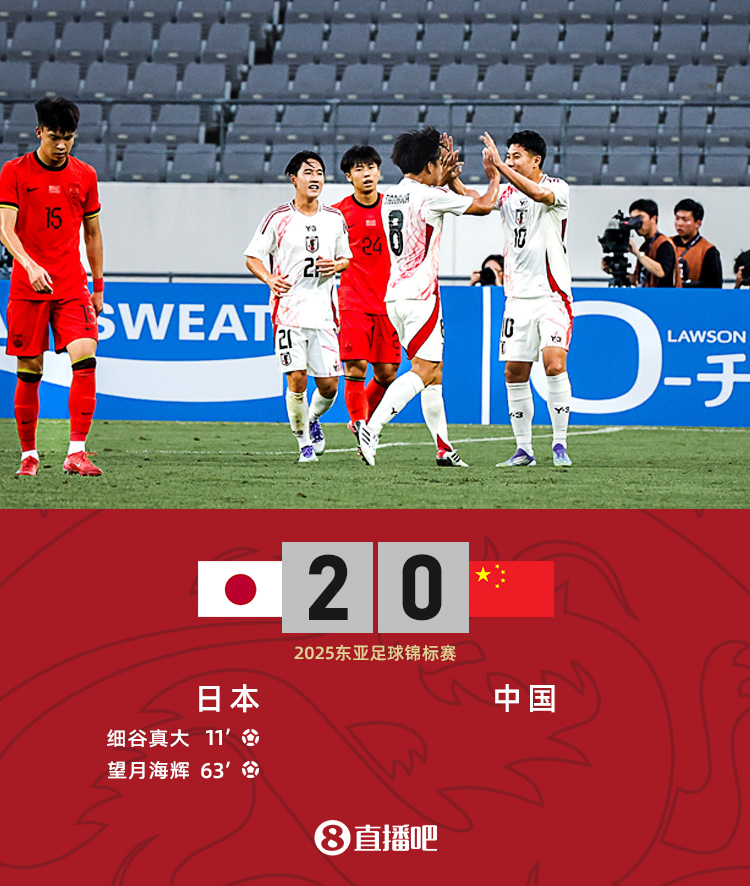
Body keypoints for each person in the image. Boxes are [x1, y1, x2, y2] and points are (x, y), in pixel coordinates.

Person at [357, 126, 501, 467]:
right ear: (429, 166)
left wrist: (445, 178)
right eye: (438, 162)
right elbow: (485, 205)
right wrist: (494, 176)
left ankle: (443, 448)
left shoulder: (392, 195)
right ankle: (371, 428)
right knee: (424, 369)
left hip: (395, 295)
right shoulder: (429, 196)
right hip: (421, 296)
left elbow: (432, 196)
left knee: (434, 374)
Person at [0, 96, 104, 477]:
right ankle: (29, 455)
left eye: (69, 138)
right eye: (55, 137)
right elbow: (5, 229)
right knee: (30, 370)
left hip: (72, 285)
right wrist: (28, 265)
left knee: (86, 358)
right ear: (39, 132)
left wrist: (98, 286)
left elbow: (92, 233)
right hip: (27, 287)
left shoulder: (85, 175)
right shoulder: (14, 172)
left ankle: (76, 452)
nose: (62, 145)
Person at [244, 151, 351, 464]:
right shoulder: (278, 217)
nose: (315, 178)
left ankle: (312, 418)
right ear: (294, 179)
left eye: (319, 173)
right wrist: (269, 278)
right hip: (289, 311)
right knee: (297, 379)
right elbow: (252, 256)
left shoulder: (334, 218)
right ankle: (304, 444)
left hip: (324, 312)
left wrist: (337, 265)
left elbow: (346, 258)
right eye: (308, 172)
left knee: (329, 387)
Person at [481, 129, 574, 468]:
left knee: (554, 364)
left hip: (552, 296)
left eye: (515, 156)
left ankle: (560, 444)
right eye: (507, 156)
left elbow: (538, 194)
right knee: (514, 372)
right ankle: (524, 450)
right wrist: (451, 181)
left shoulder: (557, 187)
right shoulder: (506, 191)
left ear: (536, 160)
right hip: (517, 299)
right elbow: (479, 203)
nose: (510, 161)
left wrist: (500, 168)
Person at [332, 145, 401, 439]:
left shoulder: (394, 208)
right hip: (353, 300)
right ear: (349, 176)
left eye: (371, 167)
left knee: (387, 373)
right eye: (359, 169)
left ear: (379, 171)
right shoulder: (337, 213)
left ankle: (362, 419)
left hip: (388, 301)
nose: (367, 173)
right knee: (355, 365)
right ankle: (361, 425)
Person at [628, 198, 681, 288]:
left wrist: (637, 253)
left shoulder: (664, 244)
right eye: (633, 219)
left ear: (653, 219)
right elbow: (640, 279)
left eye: (640, 218)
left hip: (662, 295)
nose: (636, 223)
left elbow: (661, 272)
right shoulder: (645, 246)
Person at [672, 198, 723, 288]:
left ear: (698, 223)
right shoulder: (666, 244)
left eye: (685, 220)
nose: (679, 223)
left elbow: (713, 285)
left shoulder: (708, 250)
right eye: (677, 219)